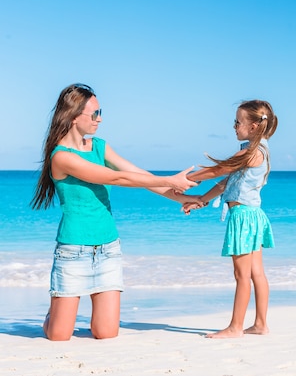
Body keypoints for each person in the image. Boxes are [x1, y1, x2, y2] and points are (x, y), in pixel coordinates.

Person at [30, 83, 200, 341]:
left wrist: (182, 197)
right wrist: (171, 180)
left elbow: (140, 176)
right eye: (95, 113)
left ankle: (66, 311)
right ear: (74, 116)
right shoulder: (61, 157)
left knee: (106, 333)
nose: (101, 118)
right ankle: (52, 315)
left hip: (108, 248)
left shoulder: (100, 147)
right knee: (59, 336)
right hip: (73, 250)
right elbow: (117, 178)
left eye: (101, 112)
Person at [183, 99, 277, 339]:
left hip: (243, 217)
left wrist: (184, 179)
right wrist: (201, 199)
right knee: (256, 273)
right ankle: (260, 324)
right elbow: (226, 182)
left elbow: (218, 170)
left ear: (254, 126)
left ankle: (236, 327)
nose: (234, 126)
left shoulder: (250, 152)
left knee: (242, 275)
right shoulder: (260, 150)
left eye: (238, 121)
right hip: (254, 214)